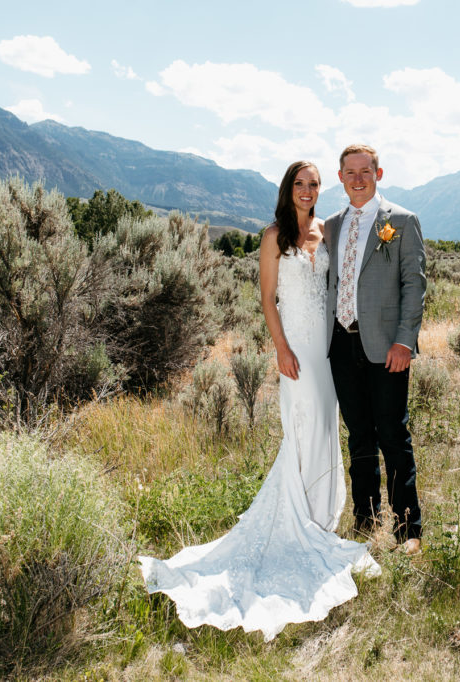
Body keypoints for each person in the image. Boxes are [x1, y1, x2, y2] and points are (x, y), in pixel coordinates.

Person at [138, 161, 378, 642]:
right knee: (302, 425)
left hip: (327, 348)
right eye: (300, 183)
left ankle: (318, 518)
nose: (308, 190)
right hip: (296, 349)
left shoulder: (326, 232)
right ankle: (297, 522)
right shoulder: (274, 236)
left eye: (313, 184)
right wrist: (281, 348)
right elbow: (268, 299)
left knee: (325, 426)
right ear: (288, 189)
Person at [326, 144, 427, 555]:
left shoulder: (401, 221)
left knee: (393, 435)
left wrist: (405, 340)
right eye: (350, 172)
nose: (358, 178)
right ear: (340, 178)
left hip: (388, 347)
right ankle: (365, 522)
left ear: (378, 173)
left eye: (365, 171)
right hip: (340, 345)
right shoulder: (332, 225)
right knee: (358, 437)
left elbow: (414, 284)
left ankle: (408, 531)